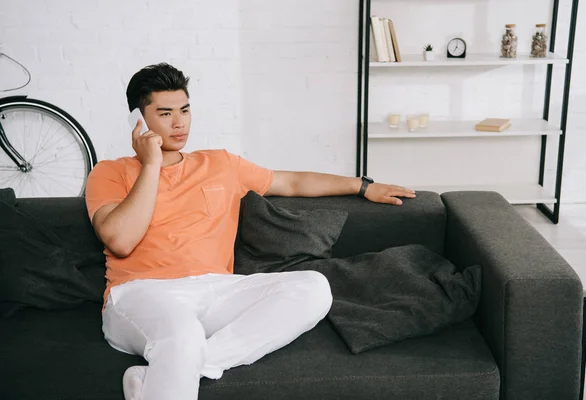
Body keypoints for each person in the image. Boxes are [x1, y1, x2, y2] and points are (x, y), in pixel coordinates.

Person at [85, 62, 416, 400]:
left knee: (314, 288)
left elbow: (291, 182)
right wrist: (151, 164)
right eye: (165, 113)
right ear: (139, 120)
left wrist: (363, 186)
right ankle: (180, 360)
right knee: (183, 336)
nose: (179, 122)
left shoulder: (220, 164)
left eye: (184, 110)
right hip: (141, 293)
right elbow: (121, 240)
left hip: (215, 290)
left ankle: (176, 369)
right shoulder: (110, 172)